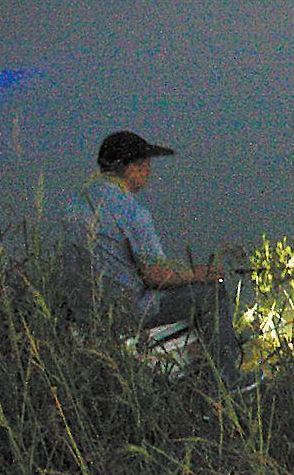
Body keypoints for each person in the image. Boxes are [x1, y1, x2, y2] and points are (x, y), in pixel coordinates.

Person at [62, 130, 253, 390]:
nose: (148, 170)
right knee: (213, 296)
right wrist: (201, 274)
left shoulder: (75, 205)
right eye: (144, 164)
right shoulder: (131, 209)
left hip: (86, 313)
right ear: (131, 168)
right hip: (128, 310)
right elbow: (156, 275)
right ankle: (227, 382)